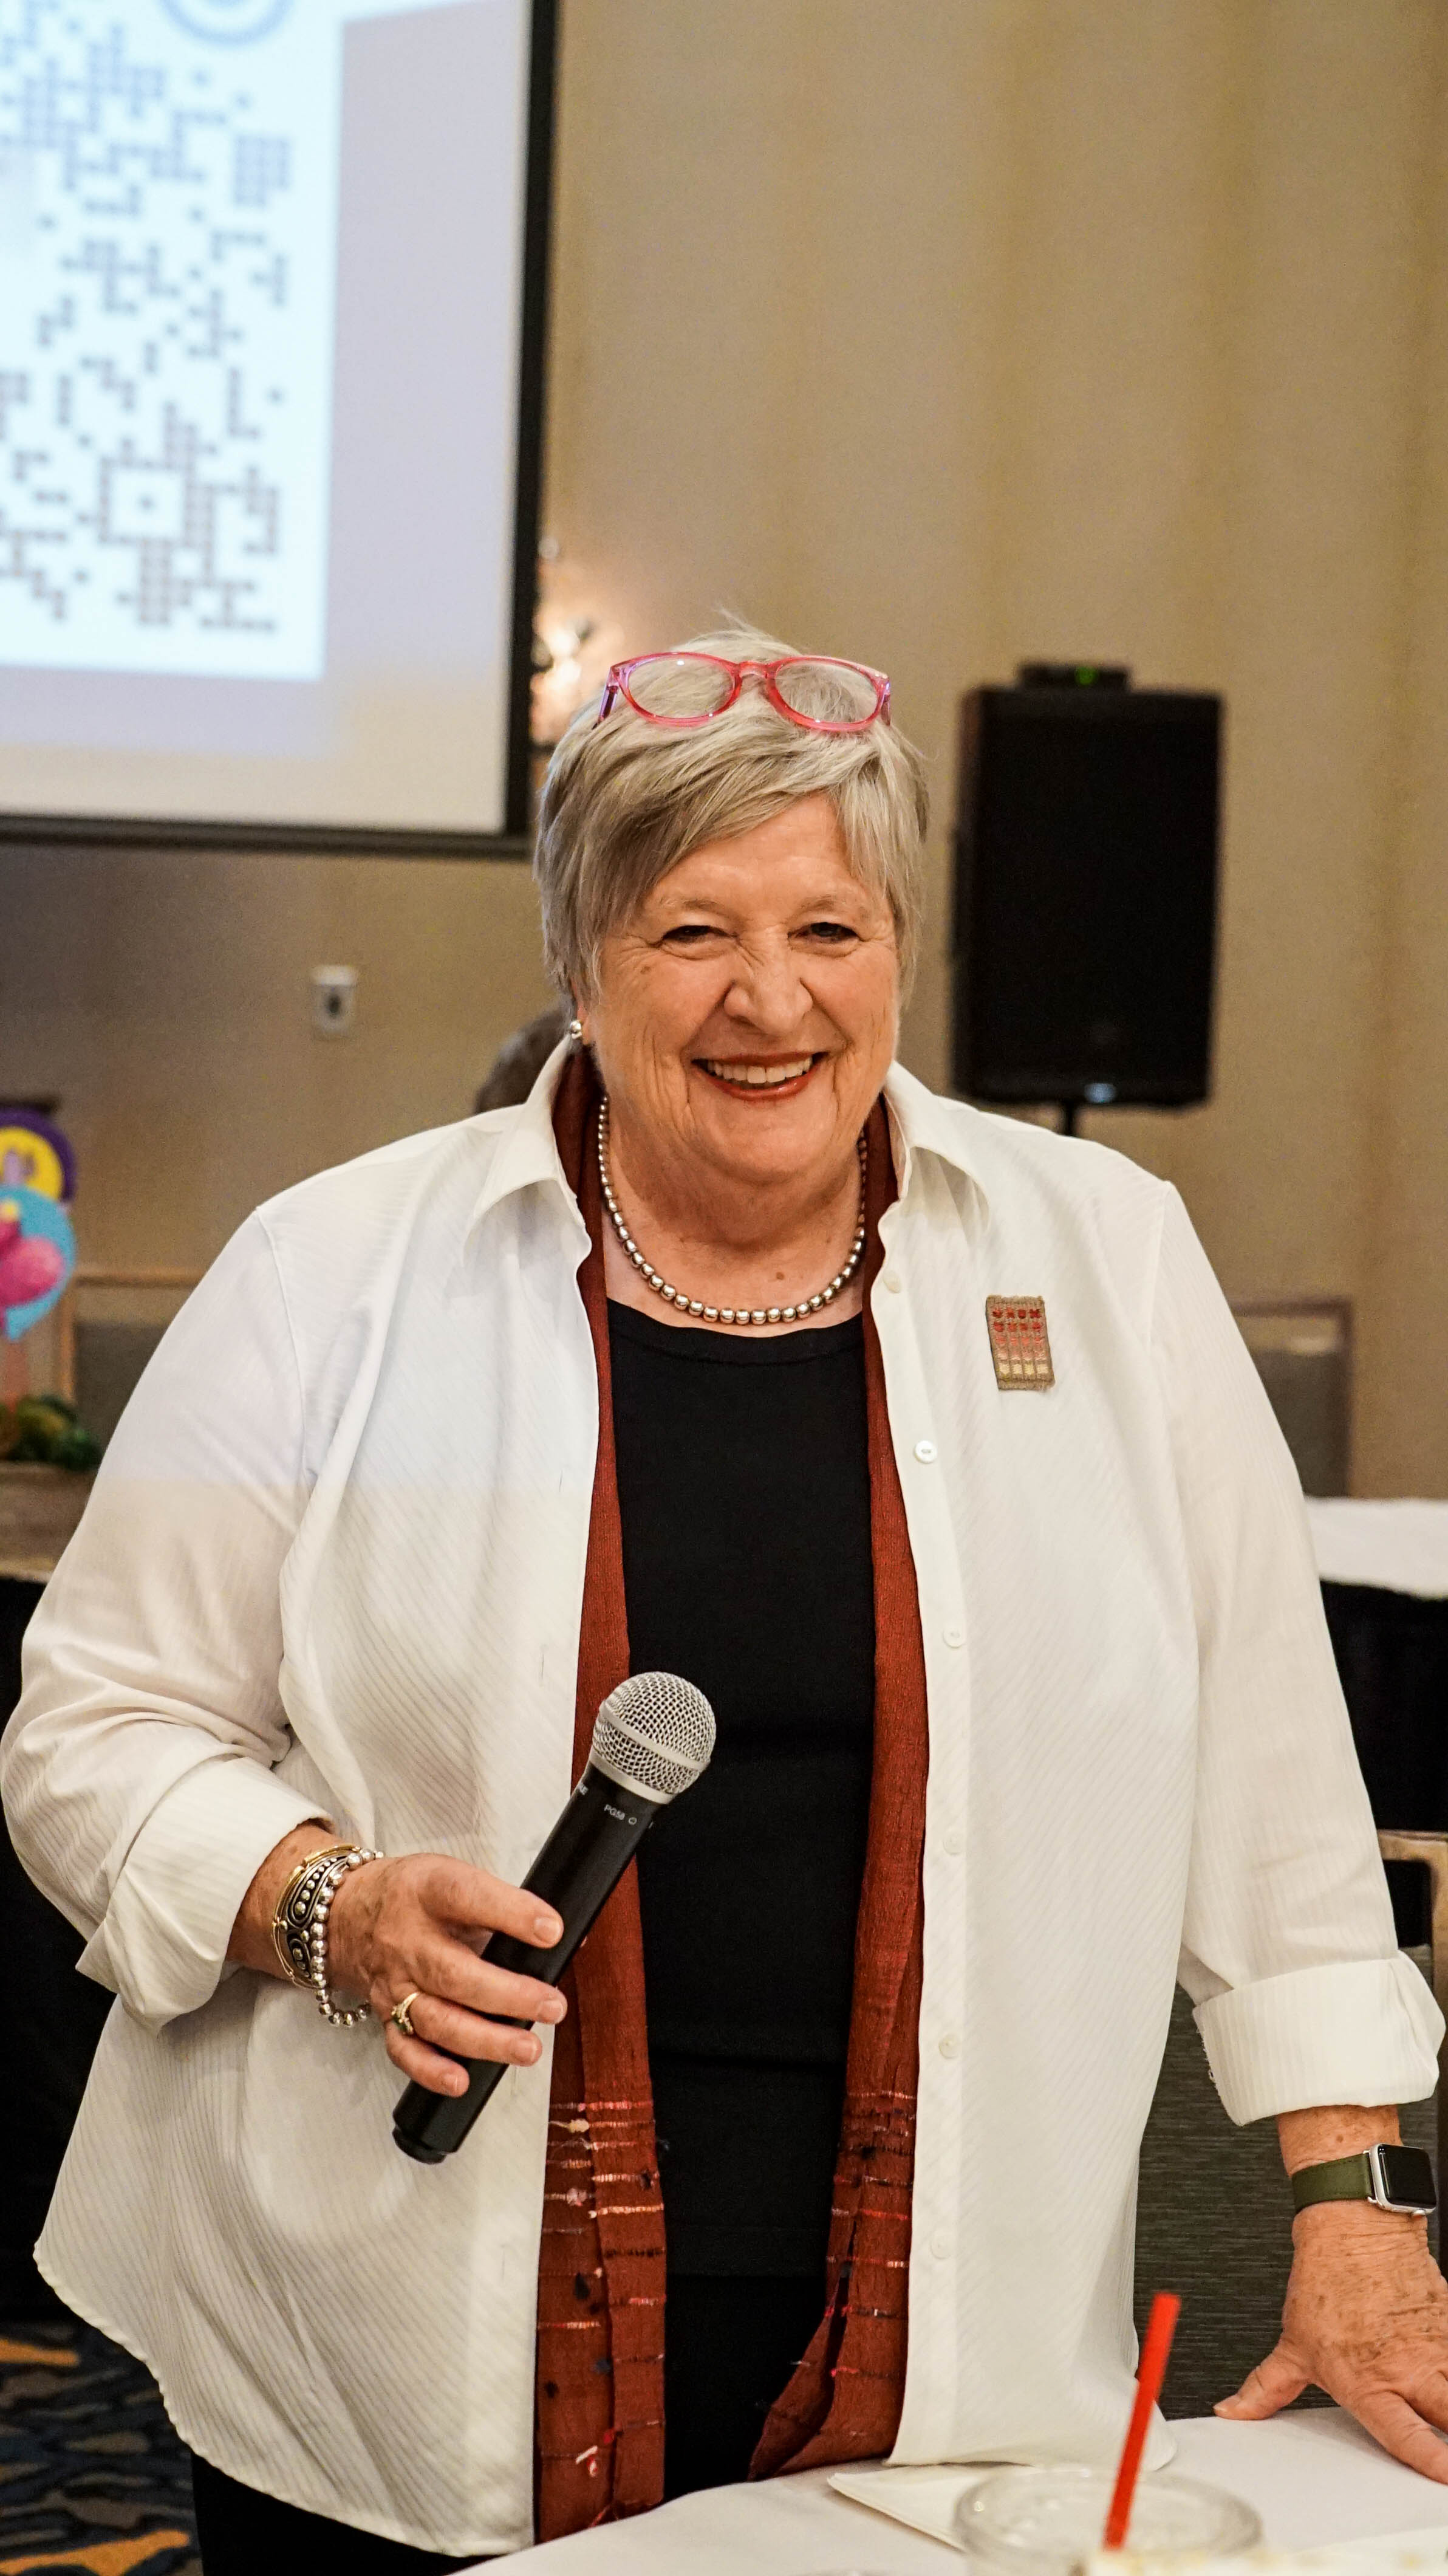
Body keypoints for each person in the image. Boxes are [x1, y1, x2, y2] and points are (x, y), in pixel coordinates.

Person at [4, 628, 1447, 2571]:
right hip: (393, 2323)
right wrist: (326, 1908)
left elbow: (1268, 1775)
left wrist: (1357, 2212)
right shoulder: (329, 1273)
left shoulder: (1106, 1259)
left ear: (902, 949)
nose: (772, 999)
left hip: (955, 2343)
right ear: (579, 958)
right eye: (693, 932)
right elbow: (93, 1735)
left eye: (831, 929)